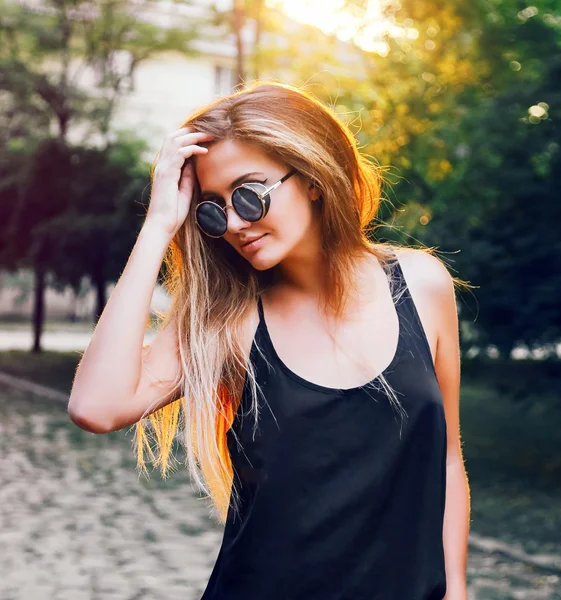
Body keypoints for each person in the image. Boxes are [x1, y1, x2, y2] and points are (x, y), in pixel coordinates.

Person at [68, 82, 470, 600]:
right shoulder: (227, 322)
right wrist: (159, 224)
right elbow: (97, 407)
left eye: (248, 194)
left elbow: (446, 459)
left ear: (313, 178)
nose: (234, 223)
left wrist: (456, 588)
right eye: (212, 209)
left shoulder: (422, 284)